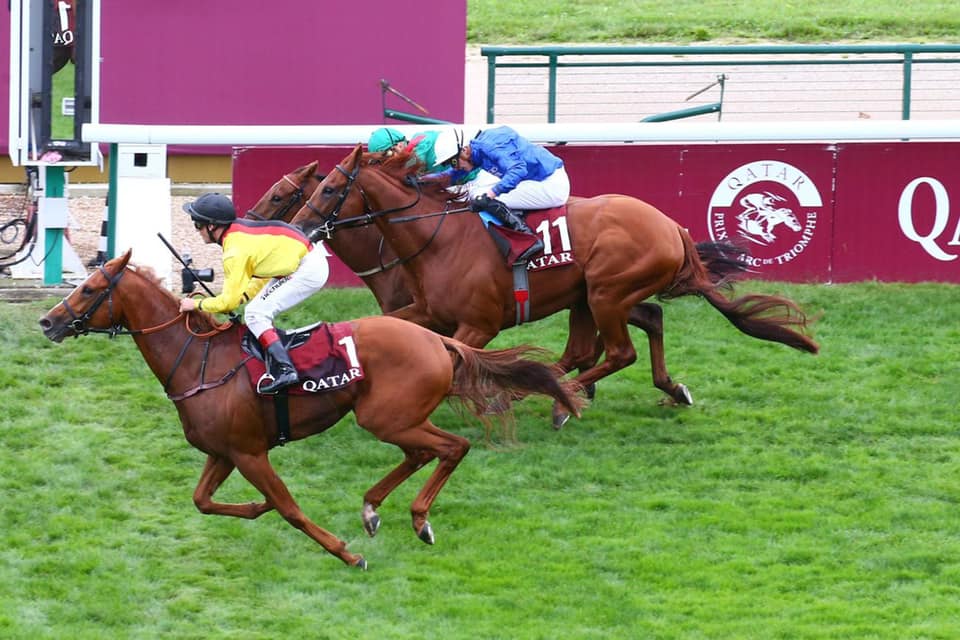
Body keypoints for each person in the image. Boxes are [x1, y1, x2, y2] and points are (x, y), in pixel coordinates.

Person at [178, 193, 331, 394]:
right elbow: (261, 274)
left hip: (308, 268)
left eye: (198, 224)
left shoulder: (234, 251)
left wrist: (196, 305)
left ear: (213, 226)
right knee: (254, 309)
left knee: (255, 314)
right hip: (299, 260)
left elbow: (227, 304)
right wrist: (243, 297)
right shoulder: (237, 233)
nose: (197, 231)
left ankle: (286, 370)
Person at [431, 126, 571, 263]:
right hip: (538, 181)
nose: (454, 167)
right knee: (477, 192)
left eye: (453, 162)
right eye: (448, 164)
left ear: (465, 150)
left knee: (479, 195)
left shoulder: (489, 146)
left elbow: (518, 170)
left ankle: (527, 238)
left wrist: (492, 194)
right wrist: (421, 182)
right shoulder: (477, 150)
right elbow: (452, 175)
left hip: (550, 185)